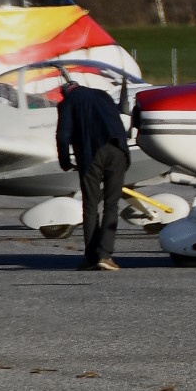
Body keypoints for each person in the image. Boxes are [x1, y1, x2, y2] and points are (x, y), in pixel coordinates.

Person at [56, 80, 131, 270]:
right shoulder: (102, 95)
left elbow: (63, 135)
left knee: (90, 205)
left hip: (91, 154)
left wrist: (65, 161)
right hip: (118, 150)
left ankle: (91, 258)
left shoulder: (68, 101)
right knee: (111, 203)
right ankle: (105, 256)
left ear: (65, 92)